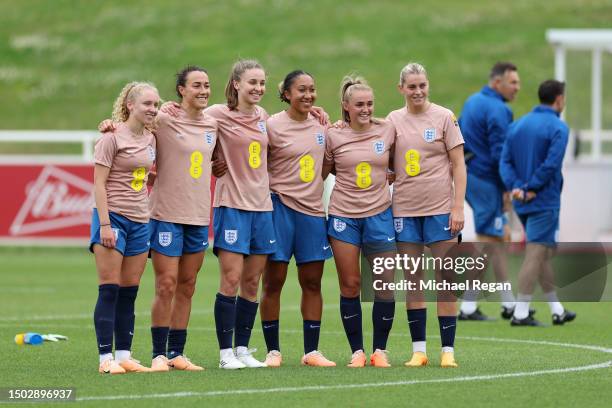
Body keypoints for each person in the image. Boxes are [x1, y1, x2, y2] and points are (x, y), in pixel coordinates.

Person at [98, 66, 217, 371]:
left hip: (199, 214)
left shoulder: (214, 123)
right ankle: (158, 354)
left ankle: (177, 353)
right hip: (164, 214)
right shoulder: (162, 119)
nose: (203, 91)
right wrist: (110, 124)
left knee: (188, 285)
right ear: (181, 90)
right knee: (166, 283)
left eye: (206, 85)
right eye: (196, 85)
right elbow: (133, 123)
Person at [387, 62, 466, 368]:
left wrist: (457, 206)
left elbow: (458, 164)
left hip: (440, 211)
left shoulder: (445, 117)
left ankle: (448, 351)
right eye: (412, 86)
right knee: (413, 280)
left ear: (428, 85)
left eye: (422, 85)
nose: (418, 91)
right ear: (401, 89)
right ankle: (418, 350)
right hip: (404, 210)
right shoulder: (393, 120)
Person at [260, 70, 335, 367]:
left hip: (313, 212)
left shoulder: (321, 124)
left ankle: (311, 351)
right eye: (301, 90)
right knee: (274, 281)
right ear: (287, 93)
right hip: (279, 210)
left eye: (312, 90)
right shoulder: (271, 125)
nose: (308, 95)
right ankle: (273, 351)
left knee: (312, 282)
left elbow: (327, 165)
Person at [323, 75, 397, 368]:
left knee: (384, 285)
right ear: (346, 106)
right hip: (344, 216)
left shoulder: (388, 130)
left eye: (369, 104)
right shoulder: (333, 135)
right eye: (359, 105)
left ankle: (380, 350)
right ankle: (357, 351)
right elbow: (325, 170)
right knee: (350, 284)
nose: (365, 109)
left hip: (380, 214)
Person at [207, 59, 275, 369]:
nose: (258, 88)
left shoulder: (264, 117)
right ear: (236, 84)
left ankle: (244, 349)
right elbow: (187, 121)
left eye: (262, 83)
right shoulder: (218, 114)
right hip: (231, 206)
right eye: (252, 83)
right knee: (231, 279)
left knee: (252, 283)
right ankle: (225, 354)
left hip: (262, 207)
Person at [91, 82, 159, 374]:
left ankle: (124, 355)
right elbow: (98, 183)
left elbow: (145, 174)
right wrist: (105, 224)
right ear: (130, 105)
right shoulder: (111, 137)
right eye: (146, 104)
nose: (152, 109)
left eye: (155, 105)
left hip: (140, 221)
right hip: (113, 219)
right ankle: (105, 359)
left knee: (130, 291)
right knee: (109, 289)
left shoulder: (151, 138)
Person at [500, 79, 576, 327]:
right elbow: (551, 164)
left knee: (541, 254)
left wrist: (517, 188)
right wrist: (531, 187)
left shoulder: (518, 125)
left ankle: (557, 309)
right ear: (559, 99)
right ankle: (521, 312)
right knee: (536, 253)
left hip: (523, 201)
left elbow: (505, 162)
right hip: (544, 200)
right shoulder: (558, 127)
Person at [458, 62, 521, 321]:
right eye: (513, 82)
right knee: (489, 241)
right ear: (498, 83)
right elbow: (500, 154)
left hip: (471, 173)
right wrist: (508, 187)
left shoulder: (473, 100)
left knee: (496, 239)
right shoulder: (499, 109)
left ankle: (509, 303)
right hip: (485, 179)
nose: (518, 87)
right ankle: (468, 306)